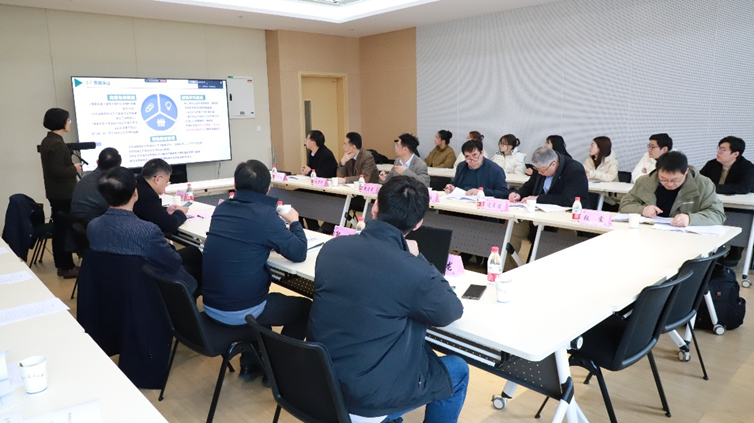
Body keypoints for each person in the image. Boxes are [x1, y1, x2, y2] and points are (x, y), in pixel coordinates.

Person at [308, 176, 467, 423]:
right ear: (418, 224)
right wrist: (418, 258)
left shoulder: (331, 249)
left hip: (316, 383)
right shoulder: (413, 271)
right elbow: (451, 311)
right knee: (458, 370)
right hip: (363, 403)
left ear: (375, 207)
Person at [202, 159, 311, 380]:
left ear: (235, 184)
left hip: (211, 305)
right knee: (306, 309)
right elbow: (299, 252)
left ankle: (251, 363)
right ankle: (280, 370)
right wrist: (295, 222)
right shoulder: (265, 215)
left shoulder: (222, 208)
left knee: (254, 289)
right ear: (268, 189)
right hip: (240, 311)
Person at [87, 166, 198, 295]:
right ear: (135, 193)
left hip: (111, 288)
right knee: (193, 258)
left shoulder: (93, 226)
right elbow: (173, 262)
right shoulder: (147, 231)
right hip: (147, 286)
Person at [506, 147, 590, 270]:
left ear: (553, 164)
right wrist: (519, 194)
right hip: (539, 215)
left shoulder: (574, 169)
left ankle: (557, 271)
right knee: (514, 227)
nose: (539, 173)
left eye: (542, 170)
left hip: (566, 217)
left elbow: (567, 200)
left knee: (564, 236)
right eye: (537, 170)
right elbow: (530, 186)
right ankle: (507, 270)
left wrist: (538, 198)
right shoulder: (541, 167)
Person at [620, 151, 725, 227]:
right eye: (663, 179)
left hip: (685, 237)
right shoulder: (644, 181)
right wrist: (643, 210)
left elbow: (717, 214)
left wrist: (689, 219)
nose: (669, 184)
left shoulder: (703, 184)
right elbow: (625, 205)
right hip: (648, 231)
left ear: (686, 171)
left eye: (675, 180)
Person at [39, 108, 81, 279]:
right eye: (68, 120)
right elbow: (57, 171)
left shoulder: (48, 140)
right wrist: (74, 168)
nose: (69, 123)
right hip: (63, 193)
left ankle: (63, 265)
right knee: (64, 231)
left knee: (60, 229)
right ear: (61, 122)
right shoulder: (56, 143)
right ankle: (67, 266)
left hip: (56, 193)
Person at [700, 136, 754, 266]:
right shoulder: (712, 164)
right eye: (719, 148)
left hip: (741, 207)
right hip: (716, 203)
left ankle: (736, 251)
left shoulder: (747, 167)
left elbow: (743, 188)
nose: (719, 152)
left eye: (723, 149)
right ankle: (711, 250)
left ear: (735, 154)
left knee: (738, 218)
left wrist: (713, 188)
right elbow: (700, 183)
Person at [134, 159, 187, 234]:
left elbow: (149, 211)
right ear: (157, 179)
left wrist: (165, 210)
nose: (166, 185)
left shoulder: (137, 184)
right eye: (167, 181)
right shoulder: (147, 195)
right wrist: (180, 212)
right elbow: (169, 225)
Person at [71, 147, 122, 224]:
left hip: (79, 225)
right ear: (118, 167)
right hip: (96, 225)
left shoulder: (84, 180)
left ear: (97, 162)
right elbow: (115, 211)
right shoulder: (107, 185)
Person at [301, 130, 338, 233]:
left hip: (327, 188)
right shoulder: (311, 153)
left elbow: (325, 174)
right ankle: (302, 226)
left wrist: (310, 172)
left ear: (313, 142)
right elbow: (312, 170)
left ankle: (313, 227)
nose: (305, 141)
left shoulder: (326, 155)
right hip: (315, 186)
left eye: (307, 139)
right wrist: (306, 171)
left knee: (304, 197)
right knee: (297, 195)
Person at [445, 139, 509, 198]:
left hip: (482, 202)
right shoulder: (461, 166)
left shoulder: (495, 170)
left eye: (475, 156)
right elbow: (455, 184)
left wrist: (481, 192)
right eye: (468, 157)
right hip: (462, 200)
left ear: (482, 153)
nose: (472, 160)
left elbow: (504, 193)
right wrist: (451, 187)